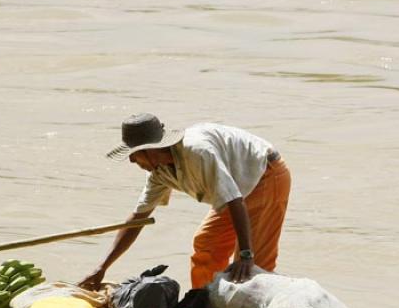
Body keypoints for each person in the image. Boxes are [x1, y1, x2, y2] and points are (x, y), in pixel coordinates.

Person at [79, 113, 291, 290]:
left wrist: (246, 253)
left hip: (265, 174)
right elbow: (138, 218)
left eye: (134, 155)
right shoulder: (159, 172)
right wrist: (102, 267)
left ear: (151, 150)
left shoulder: (197, 153)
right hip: (235, 190)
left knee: (251, 267)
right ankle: (205, 305)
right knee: (206, 245)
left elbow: (234, 200)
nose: (132, 160)